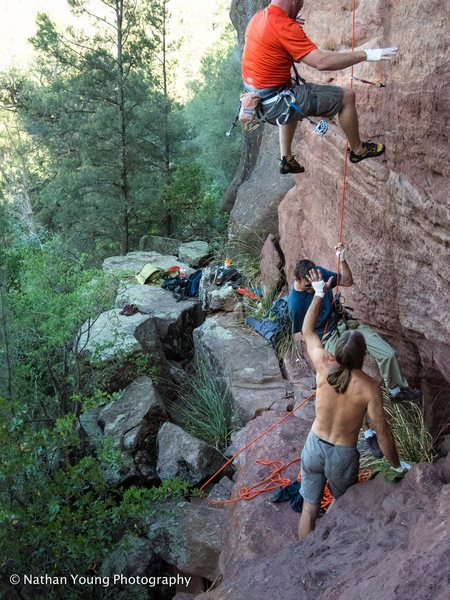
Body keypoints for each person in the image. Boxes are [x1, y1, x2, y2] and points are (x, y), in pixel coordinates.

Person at [298, 269, 411, 540]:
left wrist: (318, 293)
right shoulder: (370, 387)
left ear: (337, 350)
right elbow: (382, 433)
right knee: (343, 506)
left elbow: (306, 330)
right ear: (363, 355)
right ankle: (334, 548)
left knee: (309, 510)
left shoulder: (324, 365)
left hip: (314, 445)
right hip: (341, 455)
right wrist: (397, 466)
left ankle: (302, 558)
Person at [241, 0, 398, 174]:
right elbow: (321, 62)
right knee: (347, 97)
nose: (301, 6)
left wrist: (288, 27)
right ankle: (358, 150)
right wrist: (368, 54)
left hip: (258, 101)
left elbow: (271, 47)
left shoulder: (258, 18)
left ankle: (286, 158)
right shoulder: (284, 26)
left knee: (291, 89)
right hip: (276, 104)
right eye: (300, 3)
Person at [287, 243, 422, 405]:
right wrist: (319, 292)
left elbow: (347, 281)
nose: (311, 288)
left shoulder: (319, 275)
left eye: (313, 283)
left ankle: (396, 391)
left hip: (344, 322)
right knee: (347, 380)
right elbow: (306, 333)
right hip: (327, 336)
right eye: (307, 285)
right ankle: (364, 428)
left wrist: (342, 259)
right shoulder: (295, 304)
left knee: (388, 354)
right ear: (297, 280)